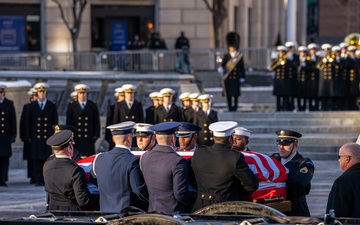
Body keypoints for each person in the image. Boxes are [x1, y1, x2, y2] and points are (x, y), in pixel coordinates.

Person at [191, 121, 258, 212]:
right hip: (225, 209)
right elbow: (252, 185)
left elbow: (191, 177)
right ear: (230, 139)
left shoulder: (199, 153)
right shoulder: (235, 157)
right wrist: (235, 190)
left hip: (200, 208)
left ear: (214, 138)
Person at [140, 122, 196, 213]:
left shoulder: (145, 157)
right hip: (174, 213)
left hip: (153, 211)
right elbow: (180, 193)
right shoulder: (177, 161)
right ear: (173, 138)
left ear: (156, 138)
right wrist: (195, 203)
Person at [93, 121, 149, 213]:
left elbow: (94, 178)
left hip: (105, 213)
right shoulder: (132, 161)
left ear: (113, 139)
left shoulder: (99, 159)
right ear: (128, 138)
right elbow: (139, 190)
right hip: (125, 216)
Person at [44, 129, 92, 210]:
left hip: (53, 209)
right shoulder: (75, 170)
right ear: (69, 149)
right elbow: (83, 200)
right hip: (71, 212)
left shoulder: (47, 165)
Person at [271, 129, 314, 216]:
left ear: (295, 144)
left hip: (295, 209)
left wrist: (273, 182)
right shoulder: (273, 159)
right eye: (279, 144)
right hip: (275, 207)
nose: (281, 148)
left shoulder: (304, 163)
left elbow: (299, 182)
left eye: (286, 144)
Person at [26, 82, 58, 186]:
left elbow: (54, 122)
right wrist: (28, 136)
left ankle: (45, 179)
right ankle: (37, 179)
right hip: (36, 137)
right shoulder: (32, 106)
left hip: (47, 137)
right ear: (37, 93)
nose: (42, 94)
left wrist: (55, 136)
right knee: (36, 160)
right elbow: (28, 123)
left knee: (46, 160)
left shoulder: (51, 106)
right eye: (40, 92)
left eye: (43, 92)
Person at [326, 142, 360, 218]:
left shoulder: (343, 182)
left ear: (347, 159)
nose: (338, 160)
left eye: (339, 157)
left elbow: (335, 215)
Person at [66, 84, 100, 156]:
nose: (82, 95)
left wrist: (96, 135)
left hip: (88, 138)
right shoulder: (72, 105)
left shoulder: (92, 105)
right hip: (76, 139)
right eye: (80, 93)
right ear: (77, 94)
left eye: (84, 93)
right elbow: (69, 122)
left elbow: (96, 121)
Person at [221, 32, 245, 111]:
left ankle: (235, 107)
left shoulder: (239, 56)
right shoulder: (226, 56)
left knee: (236, 94)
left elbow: (242, 67)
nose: (231, 48)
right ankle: (229, 107)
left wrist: (242, 76)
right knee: (228, 94)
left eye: (232, 47)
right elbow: (223, 65)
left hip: (236, 78)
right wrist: (221, 68)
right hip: (228, 77)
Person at [0, 84, 17, 187]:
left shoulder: (9, 104)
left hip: (5, 137)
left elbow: (12, 121)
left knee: (5, 160)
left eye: (1, 93)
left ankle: (3, 179)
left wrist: (13, 134)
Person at [20, 88, 37, 184]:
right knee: (30, 158)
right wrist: (25, 137)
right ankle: (32, 175)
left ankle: (37, 176)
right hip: (29, 137)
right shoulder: (27, 107)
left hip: (36, 138)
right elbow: (24, 123)